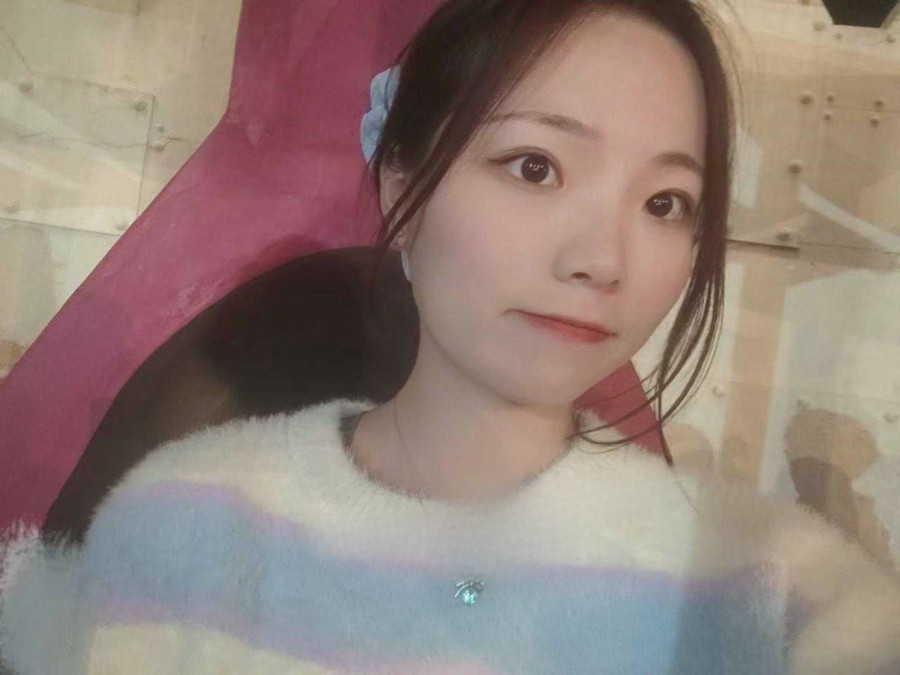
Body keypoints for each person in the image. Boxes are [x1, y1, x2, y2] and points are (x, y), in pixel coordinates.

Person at [2, 0, 900, 673]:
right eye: (535, 167)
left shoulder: (764, 592)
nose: (603, 259)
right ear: (402, 179)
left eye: (665, 202)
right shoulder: (182, 526)